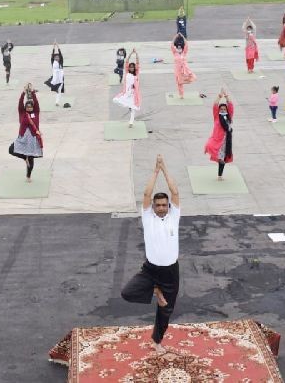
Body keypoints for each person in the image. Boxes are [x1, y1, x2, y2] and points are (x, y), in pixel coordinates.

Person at [121, 154, 181, 354]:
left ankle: (157, 342)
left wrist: (165, 169)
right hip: (150, 270)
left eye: (165, 205)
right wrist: (156, 171)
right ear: (153, 208)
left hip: (171, 272)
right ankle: (156, 291)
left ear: (169, 206)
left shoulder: (174, 216)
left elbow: (175, 191)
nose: (162, 208)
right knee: (127, 292)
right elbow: (146, 195)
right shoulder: (148, 217)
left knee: (166, 311)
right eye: (158, 205)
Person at [8, 84, 43, 182]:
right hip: (22, 138)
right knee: (11, 150)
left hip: (32, 139)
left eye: (30, 107)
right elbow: (20, 103)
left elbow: (36, 103)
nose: (29, 108)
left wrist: (32, 92)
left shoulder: (35, 113)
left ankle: (28, 176)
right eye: (27, 107)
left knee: (31, 158)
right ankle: (24, 158)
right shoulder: (22, 113)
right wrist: (23, 92)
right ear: (25, 108)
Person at [204, 88, 234, 180]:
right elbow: (215, 105)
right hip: (218, 141)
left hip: (227, 141)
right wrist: (220, 96)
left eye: (225, 109)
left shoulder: (229, 116)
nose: (223, 110)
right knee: (221, 159)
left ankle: (220, 176)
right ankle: (220, 175)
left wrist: (226, 96)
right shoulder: (217, 117)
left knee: (223, 159)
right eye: (221, 109)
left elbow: (231, 105)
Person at [113, 49, 141, 127]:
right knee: (116, 100)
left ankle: (131, 123)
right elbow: (127, 62)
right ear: (128, 68)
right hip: (126, 92)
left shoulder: (136, 74)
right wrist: (131, 53)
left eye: (133, 67)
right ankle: (128, 106)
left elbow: (138, 63)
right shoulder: (127, 72)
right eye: (130, 67)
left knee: (133, 109)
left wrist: (136, 54)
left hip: (133, 94)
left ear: (134, 68)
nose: (131, 68)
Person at [171, 33, 196, 99]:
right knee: (179, 83)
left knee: (189, 77)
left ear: (182, 48)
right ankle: (181, 94)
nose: (179, 49)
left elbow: (186, 45)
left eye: (180, 48)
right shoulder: (175, 53)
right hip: (178, 70)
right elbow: (172, 45)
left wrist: (183, 37)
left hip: (185, 70)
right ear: (176, 48)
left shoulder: (184, 53)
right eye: (178, 48)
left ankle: (187, 80)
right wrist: (175, 37)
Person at [44, 42, 65, 106]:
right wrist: (53, 46)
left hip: (61, 78)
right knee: (49, 83)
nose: (57, 58)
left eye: (58, 57)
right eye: (55, 57)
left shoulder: (61, 62)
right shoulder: (53, 62)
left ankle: (57, 102)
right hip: (55, 77)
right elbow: (52, 54)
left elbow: (61, 54)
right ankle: (54, 88)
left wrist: (58, 46)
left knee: (59, 91)